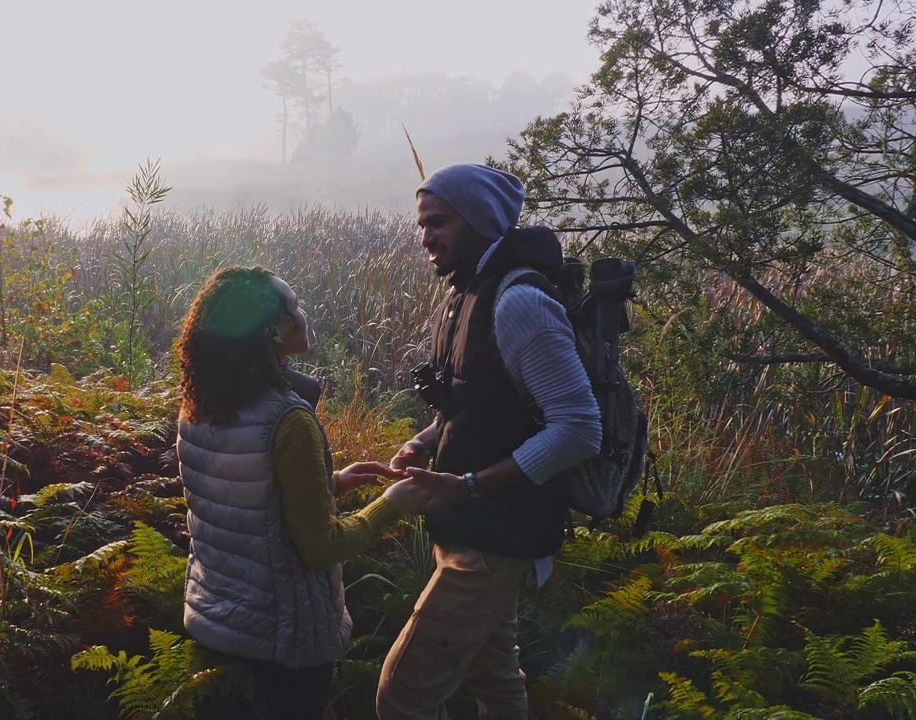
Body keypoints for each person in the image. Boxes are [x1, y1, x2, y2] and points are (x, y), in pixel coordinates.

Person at [376, 164, 603, 720]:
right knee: (494, 677)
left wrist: (471, 484)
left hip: (498, 542)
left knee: (402, 694)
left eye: (439, 223)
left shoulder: (519, 303)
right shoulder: (467, 292)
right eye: (422, 224)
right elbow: (478, 406)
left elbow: (578, 427)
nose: (425, 236)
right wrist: (424, 442)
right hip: (473, 530)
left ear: (480, 221)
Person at [176, 265, 432, 720]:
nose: (302, 312)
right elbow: (320, 547)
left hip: (215, 625)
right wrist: (392, 505)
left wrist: (329, 483)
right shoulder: (288, 420)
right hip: (282, 640)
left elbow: (242, 504)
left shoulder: (201, 407)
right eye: (292, 306)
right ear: (272, 332)